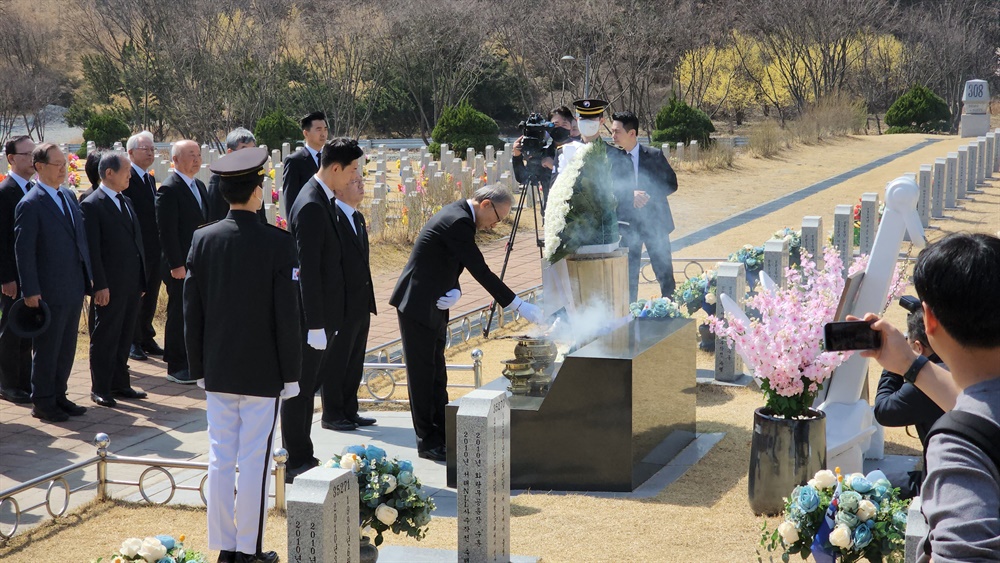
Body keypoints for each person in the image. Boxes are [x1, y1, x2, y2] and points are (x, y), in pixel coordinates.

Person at [185, 147, 301, 563]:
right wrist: (291, 374)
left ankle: (225, 548)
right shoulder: (277, 243)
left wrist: (199, 367)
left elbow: (191, 311)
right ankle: (247, 550)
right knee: (254, 461)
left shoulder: (203, 238)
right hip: (262, 372)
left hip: (218, 368)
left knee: (220, 457)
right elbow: (287, 316)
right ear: (257, 191)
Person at [859, 232, 1000, 562]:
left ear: (930, 320)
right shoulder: (979, 418)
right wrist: (909, 363)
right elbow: (982, 410)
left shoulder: (959, 445)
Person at [389, 185, 544, 461]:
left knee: (437, 373)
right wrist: (518, 305)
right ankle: (427, 441)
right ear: (485, 204)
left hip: (434, 302)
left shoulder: (462, 215)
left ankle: (441, 433)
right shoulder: (459, 220)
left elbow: (449, 259)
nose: (496, 224)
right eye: (498, 217)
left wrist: (455, 288)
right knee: (423, 376)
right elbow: (480, 269)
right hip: (417, 303)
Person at [282, 138, 364, 480]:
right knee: (300, 390)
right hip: (310, 319)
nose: (356, 177)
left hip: (325, 316)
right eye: (354, 170)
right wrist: (315, 324)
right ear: (335, 169)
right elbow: (308, 270)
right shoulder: (312, 204)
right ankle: (295, 457)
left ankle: (303, 452)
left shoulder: (324, 197)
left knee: (307, 387)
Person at [14, 144, 93, 422]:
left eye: (64, 163)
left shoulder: (68, 196)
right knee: (47, 348)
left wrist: (87, 279)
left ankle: (60, 394)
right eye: (57, 164)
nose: (63, 168)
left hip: (72, 286)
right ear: (40, 167)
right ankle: (44, 401)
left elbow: (79, 241)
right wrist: (30, 290)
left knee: (66, 346)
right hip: (47, 289)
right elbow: (24, 251)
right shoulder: (31, 203)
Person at [80, 152, 148, 408]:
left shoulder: (126, 201)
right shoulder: (92, 204)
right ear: (109, 173)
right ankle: (101, 387)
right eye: (126, 170)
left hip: (130, 283)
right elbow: (92, 251)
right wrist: (99, 285)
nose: (129, 175)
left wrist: (141, 280)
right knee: (106, 336)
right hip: (109, 285)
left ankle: (121, 383)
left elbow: (136, 243)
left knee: (125, 334)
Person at [322, 170, 377, 431]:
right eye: (354, 182)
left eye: (361, 181)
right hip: (340, 303)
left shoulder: (357, 216)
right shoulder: (332, 218)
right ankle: (332, 414)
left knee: (354, 360)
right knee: (337, 361)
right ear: (338, 190)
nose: (361, 186)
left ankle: (349, 409)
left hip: (360, 300)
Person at [872, 302, 945, 498]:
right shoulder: (967, 366)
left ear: (918, 348)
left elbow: (884, 411)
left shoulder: (927, 384)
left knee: (871, 484)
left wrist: (896, 364)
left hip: (945, 485)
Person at [610, 110, 678, 300]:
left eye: (617, 132)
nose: (613, 135)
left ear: (632, 133)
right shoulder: (613, 158)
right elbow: (608, 188)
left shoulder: (654, 155)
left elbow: (672, 183)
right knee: (629, 275)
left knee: (664, 271)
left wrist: (649, 195)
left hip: (655, 223)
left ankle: (670, 310)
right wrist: (629, 194)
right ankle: (630, 315)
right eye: (612, 131)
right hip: (626, 226)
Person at [155, 139, 208, 384]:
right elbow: (166, 232)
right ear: (175, 160)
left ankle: (194, 360)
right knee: (178, 314)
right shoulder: (169, 188)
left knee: (195, 312)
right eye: (190, 155)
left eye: (198, 154)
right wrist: (176, 264)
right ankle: (176, 365)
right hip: (179, 266)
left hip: (199, 262)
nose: (196, 159)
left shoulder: (198, 185)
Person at [0, 135, 35, 404]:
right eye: (27, 154)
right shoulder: (6, 191)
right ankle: (8, 383)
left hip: (32, 273)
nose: (33, 159)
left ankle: (26, 380)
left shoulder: (33, 189)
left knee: (28, 329)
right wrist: (6, 277)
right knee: (11, 331)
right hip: (12, 276)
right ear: (11, 159)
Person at [123, 131, 164, 361]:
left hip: (153, 245)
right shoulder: (126, 177)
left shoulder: (148, 178)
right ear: (130, 153)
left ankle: (146, 335)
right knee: (137, 294)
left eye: (152, 149)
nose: (150, 153)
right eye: (145, 149)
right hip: (136, 246)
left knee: (151, 292)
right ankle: (133, 340)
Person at [512, 106, 574, 205]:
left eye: (564, 124)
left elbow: (582, 179)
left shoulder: (580, 150)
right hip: (549, 212)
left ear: (571, 126)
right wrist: (517, 156)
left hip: (575, 213)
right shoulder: (545, 153)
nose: (560, 128)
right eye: (555, 125)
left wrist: (555, 167)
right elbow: (524, 178)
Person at [206, 128, 266, 223]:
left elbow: (260, 212)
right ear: (230, 152)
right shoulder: (219, 178)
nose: (249, 155)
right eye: (244, 149)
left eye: (253, 149)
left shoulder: (255, 174)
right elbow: (215, 215)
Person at [281, 111, 328, 210]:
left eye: (325, 129)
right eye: (318, 130)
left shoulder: (330, 159)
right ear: (306, 133)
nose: (323, 134)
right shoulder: (294, 161)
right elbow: (290, 200)